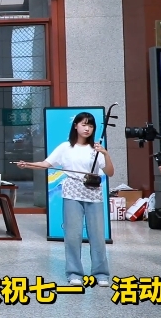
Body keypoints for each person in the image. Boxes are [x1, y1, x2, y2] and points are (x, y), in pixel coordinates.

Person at [17, 112, 114, 287]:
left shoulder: (96, 149)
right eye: (84, 124)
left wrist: (105, 154)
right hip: (72, 193)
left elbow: (110, 172)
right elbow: (46, 164)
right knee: (72, 235)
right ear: (75, 126)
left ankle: (101, 273)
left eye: (90, 125)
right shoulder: (65, 147)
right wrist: (27, 164)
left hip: (93, 193)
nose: (87, 128)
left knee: (98, 235)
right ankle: (74, 273)